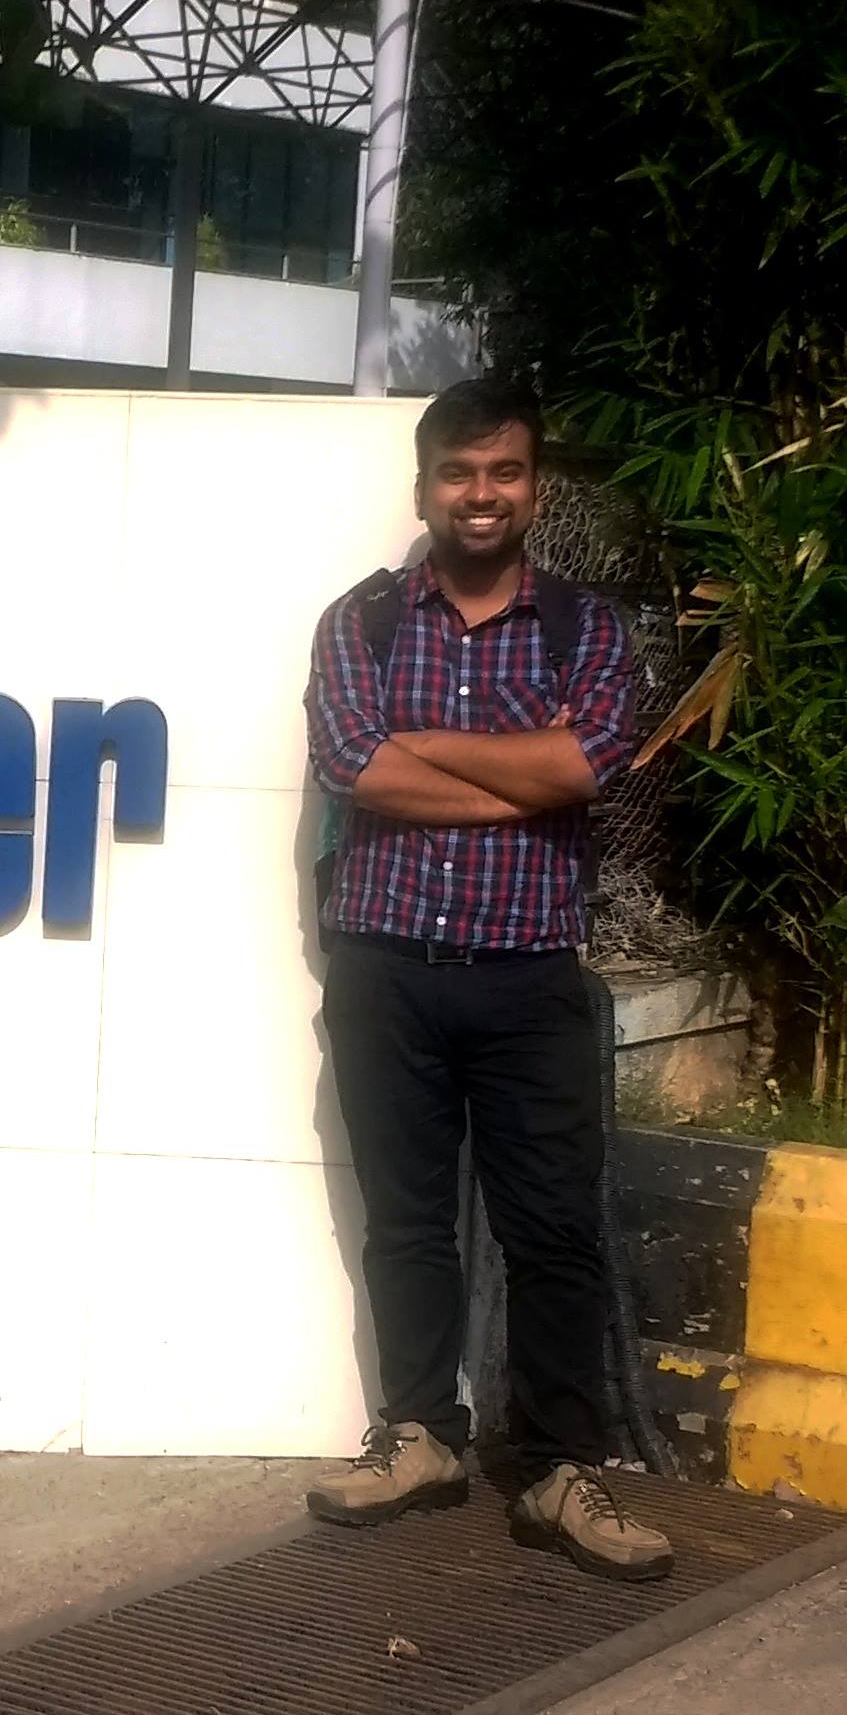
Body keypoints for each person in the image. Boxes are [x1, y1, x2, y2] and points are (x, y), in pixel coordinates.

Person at [299, 377, 673, 1581]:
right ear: (424, 489)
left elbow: (586, 764)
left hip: (527, 976)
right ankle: (420, 1434)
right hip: (385, 967)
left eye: (503, 472)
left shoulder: (583, 629)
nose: (480, 493)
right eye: (458, 473)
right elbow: (354, 765)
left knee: (552, 1229)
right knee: (405, 1220)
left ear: (532, 488)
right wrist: (522, 774)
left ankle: (561, 1468)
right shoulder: (360, 622)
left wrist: (428, 753)